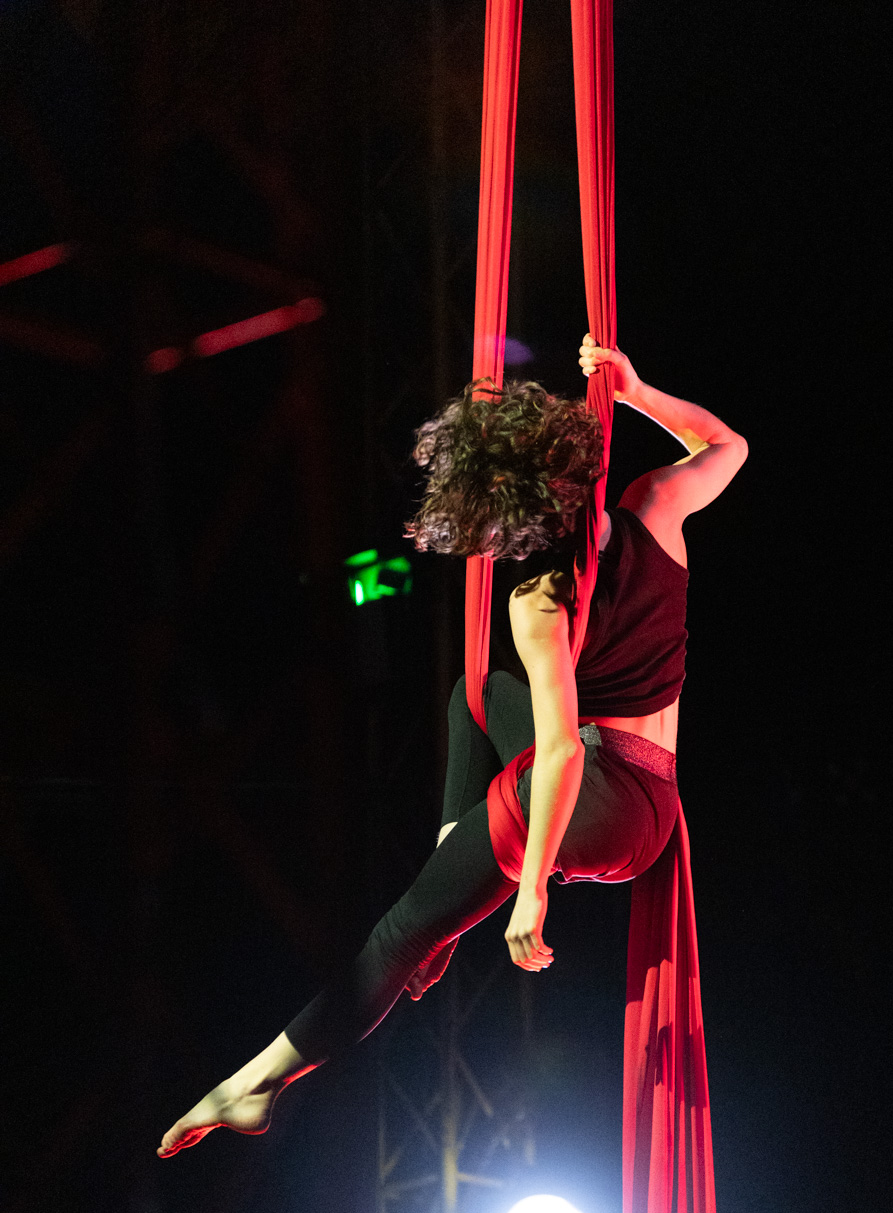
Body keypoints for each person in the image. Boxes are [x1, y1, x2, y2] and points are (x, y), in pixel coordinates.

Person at [157, 335, 747, 1158]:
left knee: (402, 933)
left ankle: (254, 1084)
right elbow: (727, 444)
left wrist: (530, 891)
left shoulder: (543, 600)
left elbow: (561, 755)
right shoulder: (655, 506)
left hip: (592, 801)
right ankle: (453, 865)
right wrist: (637, 390)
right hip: (653, 805)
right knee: (475, 695)